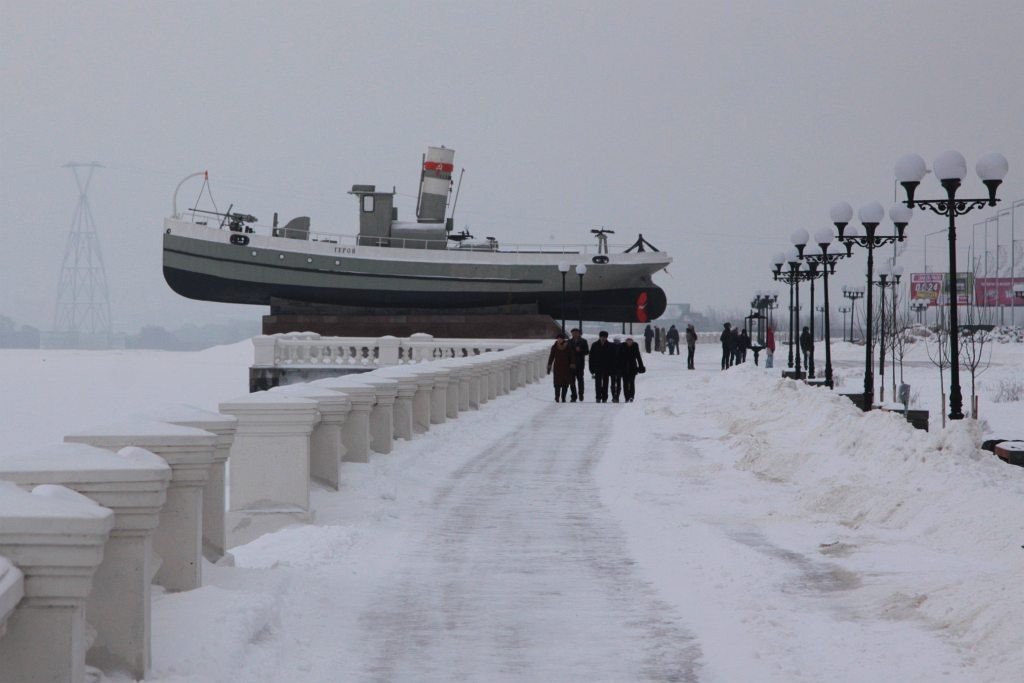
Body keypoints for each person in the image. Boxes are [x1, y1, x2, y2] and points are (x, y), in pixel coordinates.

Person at [547, 333, 575, 402]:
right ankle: (557, 397)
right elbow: (551, 357)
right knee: (557, 383)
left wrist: (572, 365)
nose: (559, 340)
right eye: (558, 338)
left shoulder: (568, 346)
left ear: (563, 339)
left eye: (560, 339)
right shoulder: (554, 347)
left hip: (566, 368)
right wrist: (549, 366)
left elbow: (572, 356)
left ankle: (563, 397)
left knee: (565, 384)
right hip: (557, 368)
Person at [617, 336, 646, 402]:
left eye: (630, 340)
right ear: (626, 341)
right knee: (625, 383)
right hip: (624, 367)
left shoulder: (635, 347)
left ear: (632, 341)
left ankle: (631, 396)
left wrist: (641, 366)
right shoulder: (622, 347)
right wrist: (618, 368)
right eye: (628, 340)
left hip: (632, 367)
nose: (629, 342)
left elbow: (638, 358)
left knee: (632, 382)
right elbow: (619, 358)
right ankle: (626, 397)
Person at [589, 330, 615, 402]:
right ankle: (598, 397)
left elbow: (612, 358)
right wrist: (591, 368)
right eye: (602, 337)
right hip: (597, 367)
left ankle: (604, 397)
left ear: (607, 337)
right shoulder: (594, 345)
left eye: (605, 337)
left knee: (605, 383)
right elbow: (591, 357)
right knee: (597, 383)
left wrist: (611, 368)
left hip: (607, 367)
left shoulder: (610, 345)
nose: (603, 338)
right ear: (599, 337)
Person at [567, 328, 589, 402]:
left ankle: (581, 394)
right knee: (572, 381)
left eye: (576, 333)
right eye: (573, 333)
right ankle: (574, 396)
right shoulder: (568, 342)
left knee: (580, 380)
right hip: (571, 365)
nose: (575, 334)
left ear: (579, 333)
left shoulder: (583, 341)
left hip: (580, 364)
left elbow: (587, 352)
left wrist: (580, 350)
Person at [609, 336, 625, 402]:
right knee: (613, 383)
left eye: (617, 341)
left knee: (618, 383)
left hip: (619, 368)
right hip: (613, 367)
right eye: (615, 341)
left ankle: (617, 396)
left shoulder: (622, 347)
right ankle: (614, 396)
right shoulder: (611, 347)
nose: (616, 342)